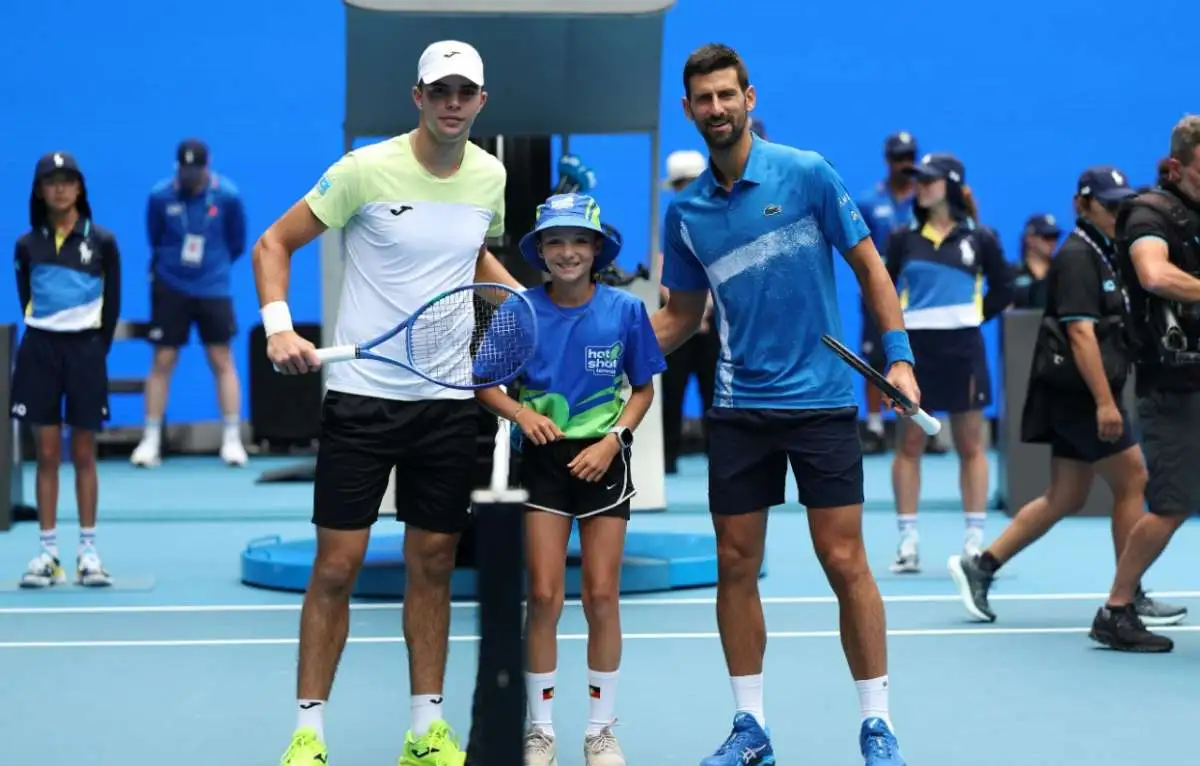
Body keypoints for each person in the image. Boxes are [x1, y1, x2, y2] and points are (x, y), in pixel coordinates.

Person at [253, 40, 521, 766]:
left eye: (466, 91)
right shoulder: (364, 170)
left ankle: (424, 731)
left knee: (433, 562)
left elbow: (469, 259)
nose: (453, 103)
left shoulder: (490, 176)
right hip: (363, 400)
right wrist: (279, 329)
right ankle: (308, 734)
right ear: (418, 98)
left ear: (481, 101)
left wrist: (527, 304)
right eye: (441, 91)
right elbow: (273, 243)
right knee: (337, 565)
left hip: (445, 402)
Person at [653, 43, 919, 766]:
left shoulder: (805, 174)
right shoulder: (688, 214)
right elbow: (679, 317)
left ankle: (877, 726)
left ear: (750, 98)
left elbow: (869, 265)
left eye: (726, 95)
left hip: (822, 401)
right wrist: (609, 353)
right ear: (688, 110)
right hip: (740, 407)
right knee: (736, 563)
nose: (715, 109)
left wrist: (898, 355)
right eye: (702, 100)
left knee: (843, 560)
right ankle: (751, 728)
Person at [475, 193, 667, 766]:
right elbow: (486, 385)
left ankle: (600, 731)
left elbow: (643, 390)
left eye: (578, 241)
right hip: (543, 461)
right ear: (540, 251)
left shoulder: (626, 311)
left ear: (595, 250)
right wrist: (523, 415)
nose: (566, 252)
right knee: (543, 596)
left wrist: (615, 442)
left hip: (604, 461)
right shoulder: (519, 311)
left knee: (602, 595)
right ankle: (539, 730)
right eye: (555, 242)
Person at [948, 165, 1186, 627]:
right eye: (1108, 204)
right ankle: (1129, 594)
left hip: (1079, 390)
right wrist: (1104, 402)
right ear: (1082, 205)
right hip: (1080, 392)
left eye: (1123, 203)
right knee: (1133, 478)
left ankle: (981, 566)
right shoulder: (1079, 256)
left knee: (1065, 495)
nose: (1118, 211)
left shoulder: (1104, 250)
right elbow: (1080, 335)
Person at [1090, 115, 1200, 652]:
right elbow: (1155, 275)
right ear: (1178, 166)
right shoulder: (1150, 216)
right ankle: (1115, 609)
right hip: (1174, 385)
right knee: (1170, 505)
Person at [885, 152, 1014, 573]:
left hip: (964, 349)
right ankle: (908, 542)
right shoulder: (903, 238)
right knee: (909, 444)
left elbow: (1004, 287)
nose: (921, 185)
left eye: (930, 179)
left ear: (952, 185)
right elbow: (882, 290)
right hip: (916, 350)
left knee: (972, 445)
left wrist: (973, 317)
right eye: (918, 179)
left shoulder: (981, 239)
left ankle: (975, 540)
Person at [12, 151, 121, 588]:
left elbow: (111, 307)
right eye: (50, 181)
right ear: (40, 191)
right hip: (40, 350)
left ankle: (88, 552)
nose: (59, 188)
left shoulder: (104, 242)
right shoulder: (26, 245)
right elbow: (27, 300)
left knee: (82, 453)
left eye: (67, 181)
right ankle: (48, 552)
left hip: (86, 352)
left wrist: (92, 349)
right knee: (47, 454)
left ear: (79, 189)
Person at [132, 139, 249, 467]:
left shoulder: (228, 196)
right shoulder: (160, 196)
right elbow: (154, 237)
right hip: (170, 287)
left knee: (221, 358)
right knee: (163, 359)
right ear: (176, 168)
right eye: (184, 170)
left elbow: (237, 242)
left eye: (196, 169)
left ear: (207, 166)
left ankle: (231, 439)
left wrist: (213, 267)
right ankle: (151, 439)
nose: (190, 175)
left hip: (213, 287)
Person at [856, 132, 919, 453]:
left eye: (909, 157)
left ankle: (918, 423)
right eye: (898, 158)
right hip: (877, 294)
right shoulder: (869, 202)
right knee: (874, 356)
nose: (904, 164)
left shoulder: (924, 202)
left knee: (917, 355)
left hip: (917, 295)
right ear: (887, 160)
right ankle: (875, 425)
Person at [658, 149, 718, 473]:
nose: (688, 188)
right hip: (678, 318)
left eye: (693, 182)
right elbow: (661, 265)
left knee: (715, 393)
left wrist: (705, 312)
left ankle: (718, 457)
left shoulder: (720, 218)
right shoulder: (670, 218)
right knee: (672, 394)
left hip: (711, 322)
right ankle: (667, 460)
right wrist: (683, 310)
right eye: (682, 183)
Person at [1011, 213, 1063, 309]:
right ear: (1030, 238)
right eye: (1047, 237)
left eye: (1055, 237)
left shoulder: (1063, 273)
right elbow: (1006, 313)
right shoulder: (1012, 274)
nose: (1052, 242)